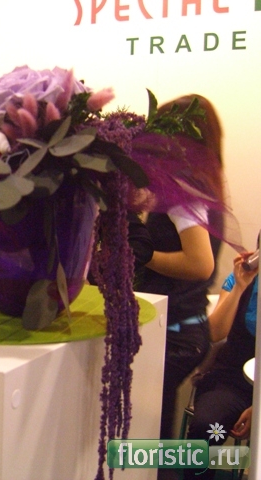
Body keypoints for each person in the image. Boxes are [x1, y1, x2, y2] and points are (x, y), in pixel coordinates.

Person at [135, 95, 229, 443]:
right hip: (183, 328)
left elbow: (200, 264)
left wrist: (143, 255)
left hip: (176, 333)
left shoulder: (184, 192)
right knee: (153, 425)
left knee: (147, 431)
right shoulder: (200, 186)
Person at [183, 251, 257, 479]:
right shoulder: (241, 277)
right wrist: (240, 287)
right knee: (206, 427)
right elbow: (215, 333)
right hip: (232, 380)